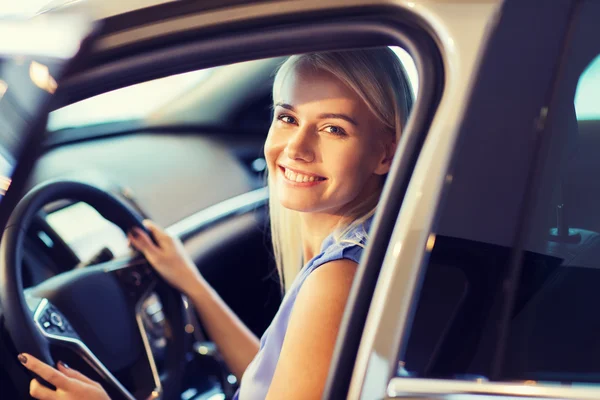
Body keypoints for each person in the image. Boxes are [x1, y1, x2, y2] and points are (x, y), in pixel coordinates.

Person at [19, 47, 413, 400]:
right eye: (288, 118)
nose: (296, 147)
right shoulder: (354, 251)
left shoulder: (337, 278)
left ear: (385, 154)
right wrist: (191, 283)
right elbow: (269, 377)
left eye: (333, 129)